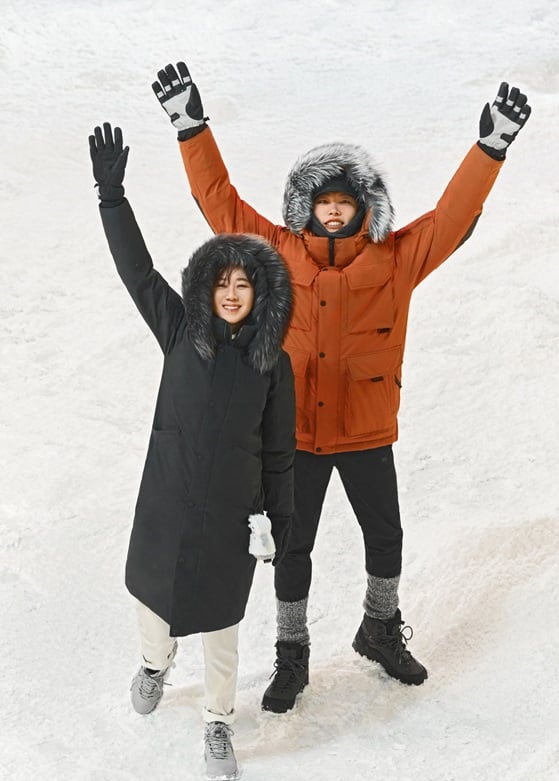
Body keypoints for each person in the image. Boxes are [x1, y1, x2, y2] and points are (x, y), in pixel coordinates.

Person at [151, 65, 531, 713]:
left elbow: (451, 218)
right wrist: (191, 128)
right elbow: (221, 203)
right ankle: (292, 652)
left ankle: (378, 627)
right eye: (323, 200)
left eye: (344, 201)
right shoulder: (274, 253)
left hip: (365, 432)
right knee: (292, 548)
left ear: (364, 207)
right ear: (306, 206)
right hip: (295, 433)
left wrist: (489, 148)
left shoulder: (396, 259)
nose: (333, 209)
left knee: (385, 536)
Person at [88, 123, 295, 779]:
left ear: (259, 296)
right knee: (155, 606)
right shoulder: (179, 328)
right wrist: (112, 198)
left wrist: (279, 521)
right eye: (222, 282)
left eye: (244, 285)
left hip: (233, 515)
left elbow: (279, 449)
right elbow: (137, 272)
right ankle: (155, 663)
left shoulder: (273, 364)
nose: (231, 294)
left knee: (222, 626)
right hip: (169, 501)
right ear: (207, 287)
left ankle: (217, 723)